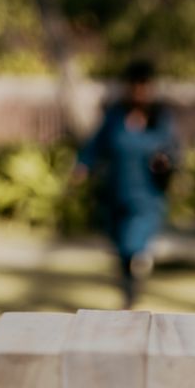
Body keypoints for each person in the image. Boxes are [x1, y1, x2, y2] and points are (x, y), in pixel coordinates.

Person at [76, 60, 178, 308]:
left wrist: (166, 162)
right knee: (121, 246)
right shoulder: (115, 118)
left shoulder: (161, 120)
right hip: (116, 191)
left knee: (136, 241)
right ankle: (129, 290)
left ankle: (136, 273)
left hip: (147, 195)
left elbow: (173, 151)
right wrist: (83, 166)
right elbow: (95, 145)